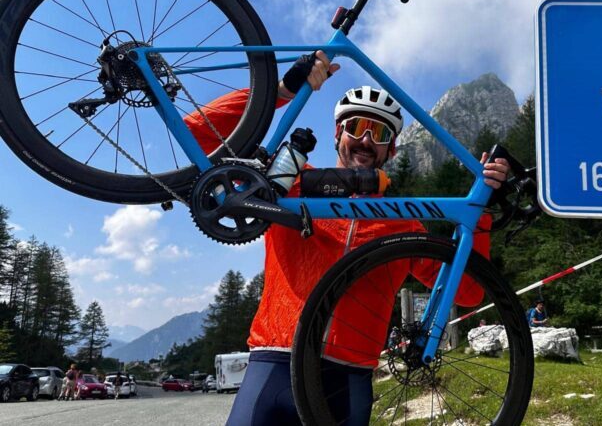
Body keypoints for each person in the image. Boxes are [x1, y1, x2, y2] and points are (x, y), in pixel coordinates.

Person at [186, 51, 510, 426]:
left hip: (348, 377)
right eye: (356, 126)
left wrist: (481, 209)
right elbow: (196, 132)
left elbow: (469, 292)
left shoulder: (404, 224)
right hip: (274, 361)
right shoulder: (287, 182)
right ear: (338, 134)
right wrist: (280, 91)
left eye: (381, 133)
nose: (366, 140)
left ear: (392, 150)